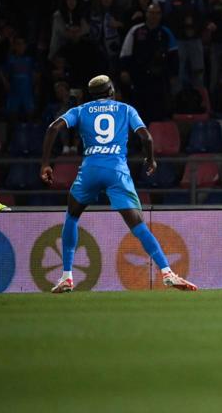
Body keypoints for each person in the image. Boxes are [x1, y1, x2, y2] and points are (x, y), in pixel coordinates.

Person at [38, 75, 197, 293]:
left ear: (90, 95)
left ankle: (66, 276)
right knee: (138, 225)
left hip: (90, 170)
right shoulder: (126, 109)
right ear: (112, 90)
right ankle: (167, 272)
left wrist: (46, 164)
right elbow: (147, 138)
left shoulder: (81, 110)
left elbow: (53, 128)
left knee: (72, 216)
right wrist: (150, 160)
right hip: (117, 172)